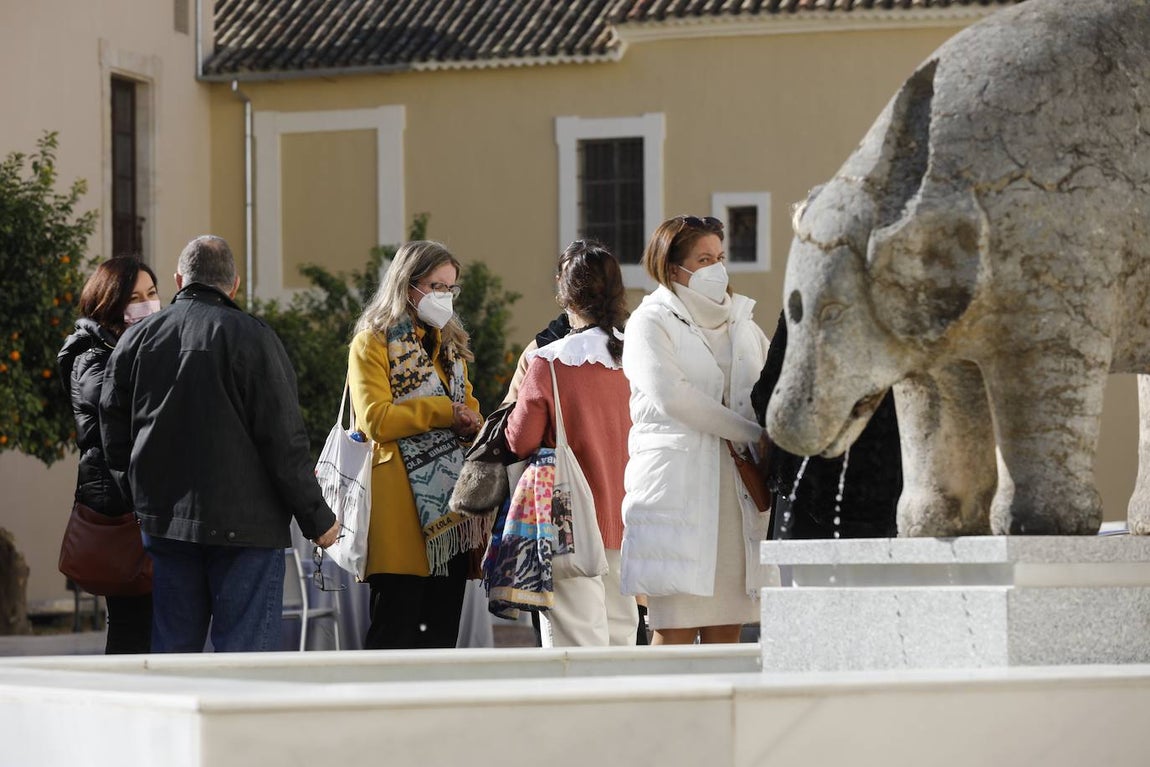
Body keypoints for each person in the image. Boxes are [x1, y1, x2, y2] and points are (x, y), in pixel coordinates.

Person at [100, 235, 339, 653]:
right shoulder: (253, 337)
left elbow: (113, 433)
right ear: (235, 284)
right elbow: (284, 442)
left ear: (178, 279)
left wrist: (138, 497)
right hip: (248, 530)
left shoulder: (136, 340)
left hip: (166, 524)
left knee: (174, 657)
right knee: (245, 666)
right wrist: (318, 521)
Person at [621, 215, 771, 645]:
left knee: (728, 634)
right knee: (674, 636)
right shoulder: (650, 322)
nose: (716, 269)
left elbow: (768, 387)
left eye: (720, 258)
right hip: (680, 495)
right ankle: (661, 716)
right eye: (703, 259)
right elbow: (674, 395)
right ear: (673, 268)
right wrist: (748, 431)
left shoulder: (743, 321)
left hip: (737, 491)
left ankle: (721, 715)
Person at [348, 240, 485, 650]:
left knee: (441, 639)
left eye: (451, 288)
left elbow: (469, 408)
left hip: (449, 517)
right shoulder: (372, 342)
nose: (445, 297)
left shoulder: (451, 347)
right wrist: (444, 411)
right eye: (436, 286)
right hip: (399, 514)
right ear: (409, 285)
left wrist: (471, 423)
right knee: (395, 634)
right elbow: (376, 418)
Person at [503, 241, 638, 647]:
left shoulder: (549, 361)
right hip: (629, 513)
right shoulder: (635, 356)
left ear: (565, 293)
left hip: (567, 518)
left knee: (575, 643)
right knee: (622, 636)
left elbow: (519, 439)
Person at [57, 256, 162, 654]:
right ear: (111, 303)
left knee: (144, 623)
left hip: (135, 507)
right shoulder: (93, 357)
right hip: (121, 510)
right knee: (132, 625)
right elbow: (118, 424)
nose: (147, 304)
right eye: (134, 297)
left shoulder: (126, 348)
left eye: (152, 293)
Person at [751, 311, 901, 540]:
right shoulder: (900, 305)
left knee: (804, 574)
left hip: (810, 489)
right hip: (885, 492)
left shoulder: (809, 300)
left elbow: (769, 399)